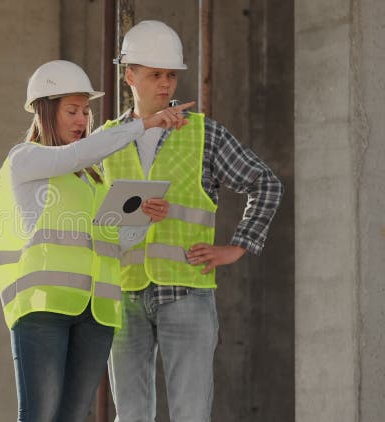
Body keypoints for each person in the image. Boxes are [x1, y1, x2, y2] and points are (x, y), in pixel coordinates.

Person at [102, 20, 284, 422]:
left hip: (185, 291)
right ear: (130, 75)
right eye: (155, 75)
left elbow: (265, 184)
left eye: (171, 75)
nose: (166, 84)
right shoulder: (107, 140)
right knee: (129, 416)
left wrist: (237, 247)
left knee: (190, 415)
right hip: (125, 293)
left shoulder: (205, 134)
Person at [0, 59, 193, 422]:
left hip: (96, 314)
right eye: (72, 111)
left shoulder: (94, 181)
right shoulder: (25, 161)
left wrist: (145, 219)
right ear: (44, 111)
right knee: (40, 415)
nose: (82, 121)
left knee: (72, 417)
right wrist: (145, 123)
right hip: (43, 309)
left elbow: (115, 243)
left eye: (86, 112)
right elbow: (77, 154)